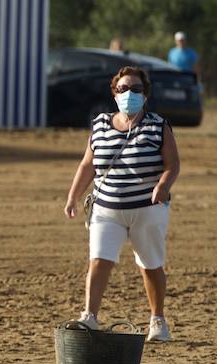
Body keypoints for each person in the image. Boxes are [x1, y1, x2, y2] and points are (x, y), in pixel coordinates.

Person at [63, 65, 181, 342]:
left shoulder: (157, 125)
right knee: (99, 261)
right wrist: (73, 196)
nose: (130, 93)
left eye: (136, 89)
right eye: (124, 88)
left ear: (146, 93)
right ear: (114, 92)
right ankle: (89, 317)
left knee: (150, 265)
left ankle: (158, 321)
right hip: (107, 210)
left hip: (147, 209)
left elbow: (172, 164)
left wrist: (163, 186)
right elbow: (87, 165)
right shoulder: (101, 123)